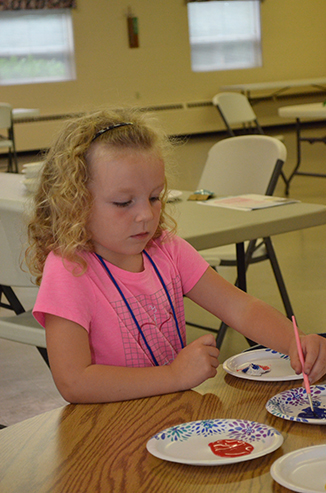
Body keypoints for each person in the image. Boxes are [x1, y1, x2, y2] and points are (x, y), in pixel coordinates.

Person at [26, 107, 326, 404]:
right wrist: (173, 375)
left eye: (155, 197)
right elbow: (74, 382)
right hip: (109, 427)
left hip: (170, 413)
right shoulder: (69, 269)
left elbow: (241, 308)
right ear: (75, 203)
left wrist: (294, 341)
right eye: (123, 202)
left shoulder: (166, 249)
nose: (145, 214)